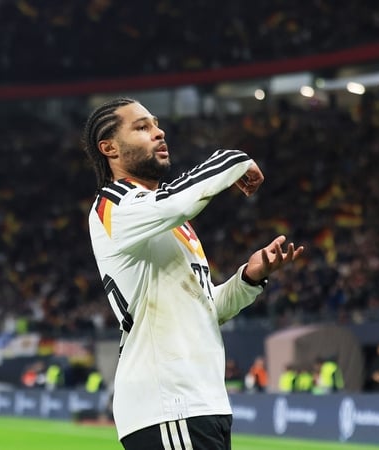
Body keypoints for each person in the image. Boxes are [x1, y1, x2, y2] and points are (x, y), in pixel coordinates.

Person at [81, 97, 304, 450]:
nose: (158, 132)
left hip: (201, 401)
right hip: (169, 404)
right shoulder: (114, 205)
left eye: (155, 124)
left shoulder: (170, 221)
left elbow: (204, 309)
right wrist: (235, 158)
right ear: (108, 148)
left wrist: (248, 278)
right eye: (141, 127)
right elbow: (180, 200)